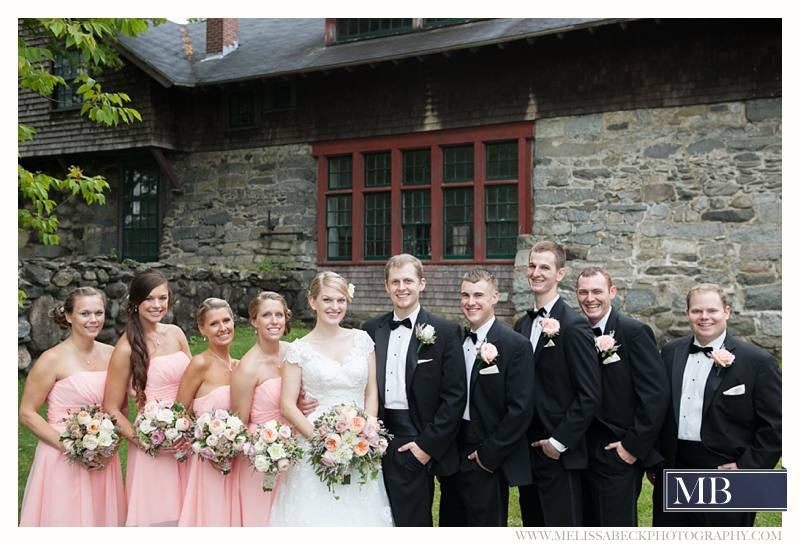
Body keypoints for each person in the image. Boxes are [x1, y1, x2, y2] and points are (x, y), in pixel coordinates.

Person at [651, 283, 782, 527]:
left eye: (712, 310)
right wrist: (656, 460)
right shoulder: (670, 352)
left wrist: (746, 467)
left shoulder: (758, 362)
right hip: (674, 467)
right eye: (697, 311)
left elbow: (778, 425)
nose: (704, 317)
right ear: (688, 313)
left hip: (726, 472)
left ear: (727, 312)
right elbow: (658, 409)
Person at [270, 271, 394, 526]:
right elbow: (288, 405)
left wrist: (365, 435)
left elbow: (371, 392)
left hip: (359, 445)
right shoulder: (299, 349)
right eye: (327, 300)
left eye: (341, 300)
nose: (334, 307)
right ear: (312, 302)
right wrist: (323, 443)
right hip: (313, 445)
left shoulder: (362, 340)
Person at [362, 254, 467, 527]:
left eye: (408, 280)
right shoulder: (370, 330)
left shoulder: (445, 332)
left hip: (416, 439)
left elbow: (454, 398)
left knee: (412, 522)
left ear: (422, 284)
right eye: (395, 281)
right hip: (375, 438)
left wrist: (425, 447)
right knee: (374, 518)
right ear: (386, 286)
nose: (401, 287)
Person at [19, 287, 126, 526]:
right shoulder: (52, 359)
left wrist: (110, 451)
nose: (94, 320)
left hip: (103, 457)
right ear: (68, 316)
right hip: (61, 455)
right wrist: (71, 449)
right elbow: (27, 413)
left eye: (99, 313)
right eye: (85, 313)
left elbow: (121, 409)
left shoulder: (113, 355)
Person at [439, 268, 535, 527]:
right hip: (452, 454)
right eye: (465, 295)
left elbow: (521, 409)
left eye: (478, 295)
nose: (471, 302)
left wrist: (488, 456)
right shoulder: (453, 341)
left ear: (495, 297)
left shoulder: (515, 345)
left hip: (486, 456)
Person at [514, 241, 601, 527]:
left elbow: (589, 395)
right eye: (532, 266)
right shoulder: (522, 326)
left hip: (559, 453)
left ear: (560, 274)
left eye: (545, 267)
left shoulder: (574, 326)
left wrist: (558, 442)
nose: (536, 272)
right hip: (527, 450)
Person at [575, 267, 669, 526]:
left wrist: (632, 448)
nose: (590, 298)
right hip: (581, 449)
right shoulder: (575, 331)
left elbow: (656, 395)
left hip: (618, 451)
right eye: (583, 292)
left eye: (597, 291)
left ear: (612, 292)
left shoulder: (634, 332)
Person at [104, 269, 192, 527]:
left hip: (187, 439)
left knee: (194, 514)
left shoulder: (176, 333)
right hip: (154, 444)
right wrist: (145, 442)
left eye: (162, 298)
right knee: (163, 520)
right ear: (134, 301)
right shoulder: (125, 349)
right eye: (149, 299)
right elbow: (111, 407)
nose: (157, 305)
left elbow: (196, 380)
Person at [230, 291, 318, 526]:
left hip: (299, 450)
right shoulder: (248, 368)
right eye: (266, 315)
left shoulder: (294, 352)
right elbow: (238, 425)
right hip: (264, 460)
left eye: (279, 314)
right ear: (254, 321)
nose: (274, 321)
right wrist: (267, 449)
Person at [177, 298, 240, 527]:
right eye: (214, 324)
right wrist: (207, 445)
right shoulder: (199, 364)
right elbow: (180, 413)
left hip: (237, 460)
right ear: (202, 329)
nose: (223, 328)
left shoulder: (240, 366)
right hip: (208, 460)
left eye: (226, 320)